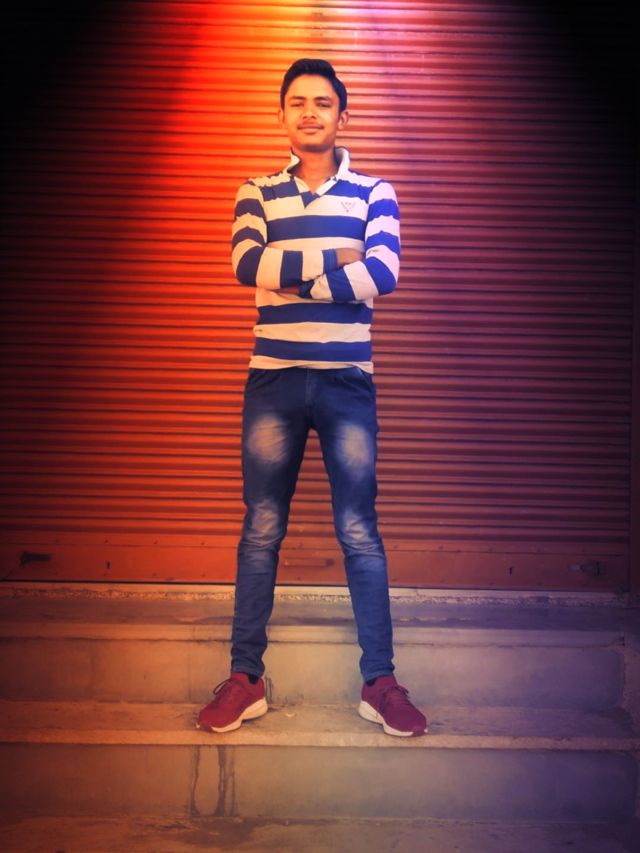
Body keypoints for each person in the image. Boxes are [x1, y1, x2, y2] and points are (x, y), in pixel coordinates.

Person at [197, 58, 427, 738]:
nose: (309, 112)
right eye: (297, 102)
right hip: (273, 380)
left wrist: (294, 278)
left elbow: (385, 271)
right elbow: (246, 264)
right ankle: (246, 678)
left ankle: (379, 682)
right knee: (261, 527)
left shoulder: (375, 191)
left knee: (359, 529)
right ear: (281, 116)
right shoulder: (256, 191)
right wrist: (340, 266)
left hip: (346, 380)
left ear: (341, 116)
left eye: (322, 102)